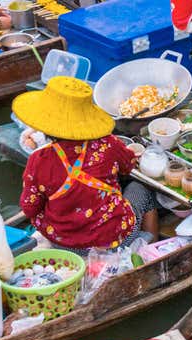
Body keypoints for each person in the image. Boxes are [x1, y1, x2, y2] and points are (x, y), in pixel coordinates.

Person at [16, 76, 159, 253]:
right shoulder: (107, 144)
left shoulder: (38, 159)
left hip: (63, 242)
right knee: (141, 188)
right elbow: (129, 165)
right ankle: (152, 252)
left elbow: (29, 207)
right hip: (114, 238)